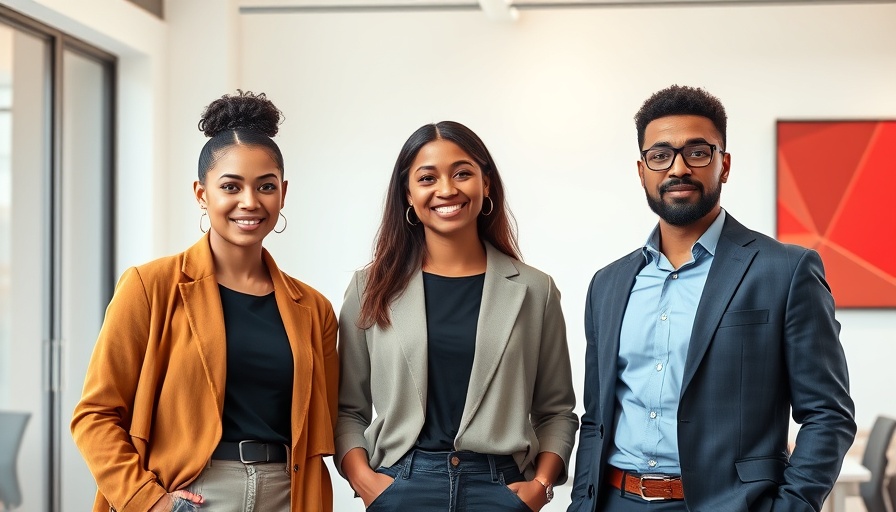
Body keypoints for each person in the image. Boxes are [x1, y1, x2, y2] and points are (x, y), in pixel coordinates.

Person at [567, 85, 856, 512]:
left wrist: (791, 506)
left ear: (724, 165)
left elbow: (828, 414)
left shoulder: (785, 271)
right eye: (660, 155)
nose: (678, 168)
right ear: (642, 169)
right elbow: (596, 418)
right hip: (614, 501)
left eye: (697, 152)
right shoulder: (608, 284)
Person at [71, 90, 338, 512]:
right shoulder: (150, 286)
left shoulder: (314, 309)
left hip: (287, 495)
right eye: (230, 186)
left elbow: (326, 425)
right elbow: (95, 415)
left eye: (265, 186)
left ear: (283, 193)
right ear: (201, 193)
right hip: (193, 495)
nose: (250, 202)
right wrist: (150, 502)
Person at [336, 121, 578, 511]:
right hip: (402, 485)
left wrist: (541, 486)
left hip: (500, 487)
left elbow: (557, 411)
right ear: (408, 194)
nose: (447, 189)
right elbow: (347, 408)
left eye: (462, 173)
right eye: (427, 177)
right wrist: (365, 481)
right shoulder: (370, 287)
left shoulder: (536, 290)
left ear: (486, 185)